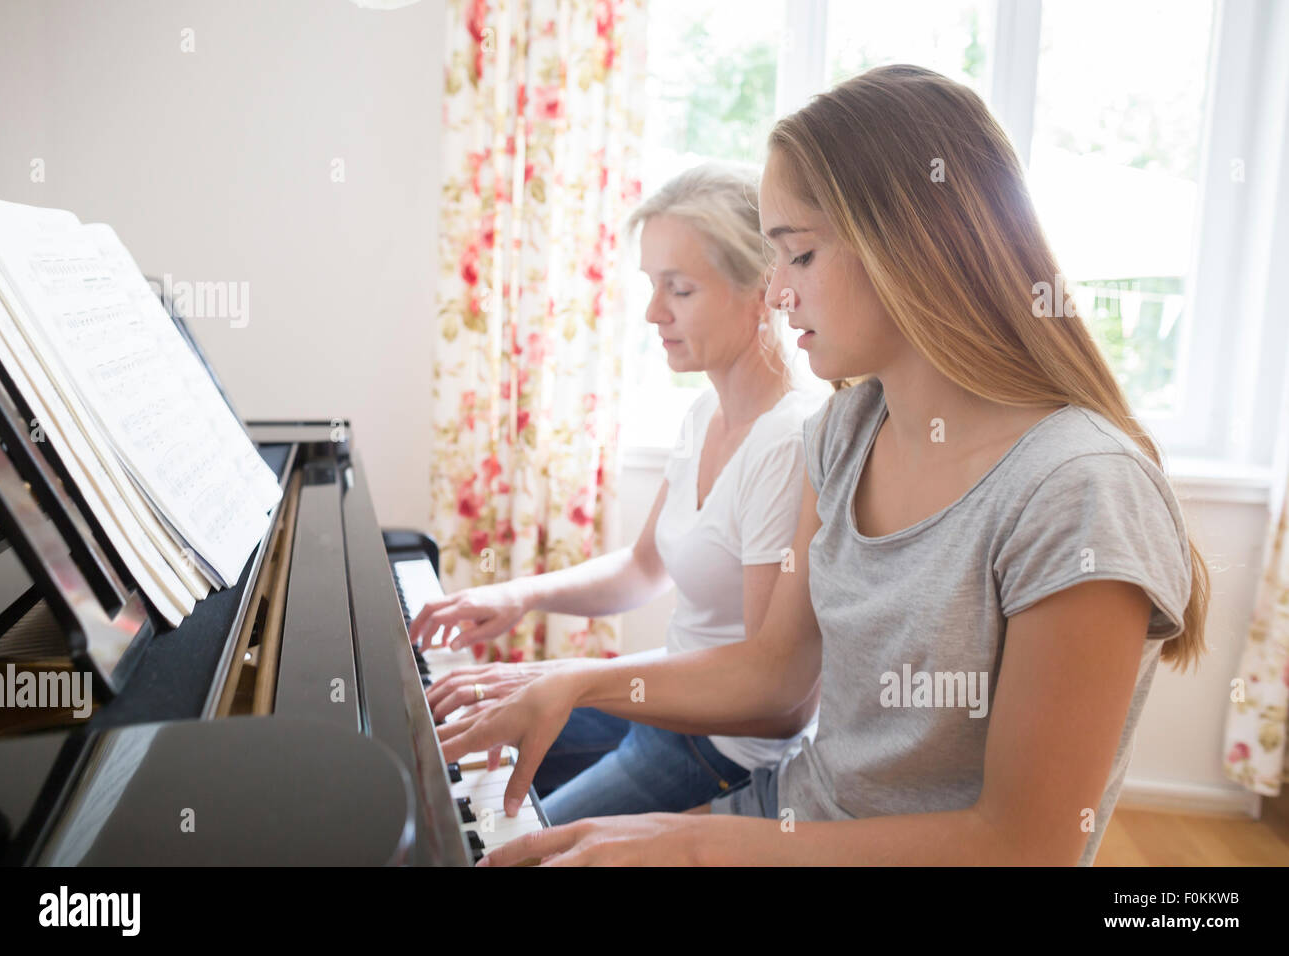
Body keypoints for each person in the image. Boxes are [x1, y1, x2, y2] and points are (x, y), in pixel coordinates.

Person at [434, 64, 1209, 866]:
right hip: (798, 816)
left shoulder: (1078, 490)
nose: (774, 294)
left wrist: (695, 843)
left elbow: (1025, 846)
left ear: (913, 246)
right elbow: (774, 678)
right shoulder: (843, 431)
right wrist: (568, 682)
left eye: (797, 256)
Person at [411, 163, 826, 823]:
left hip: (720, 754)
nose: (653, 314)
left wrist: (571, 683)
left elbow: (772, 697)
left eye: (680, 290)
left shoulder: (788, 442)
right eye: (651, 286)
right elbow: (642, 569)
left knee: (498, 844)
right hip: (665, 706)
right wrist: (520, 594)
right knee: (439, 752)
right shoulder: (703, 416)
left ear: (763, 289)